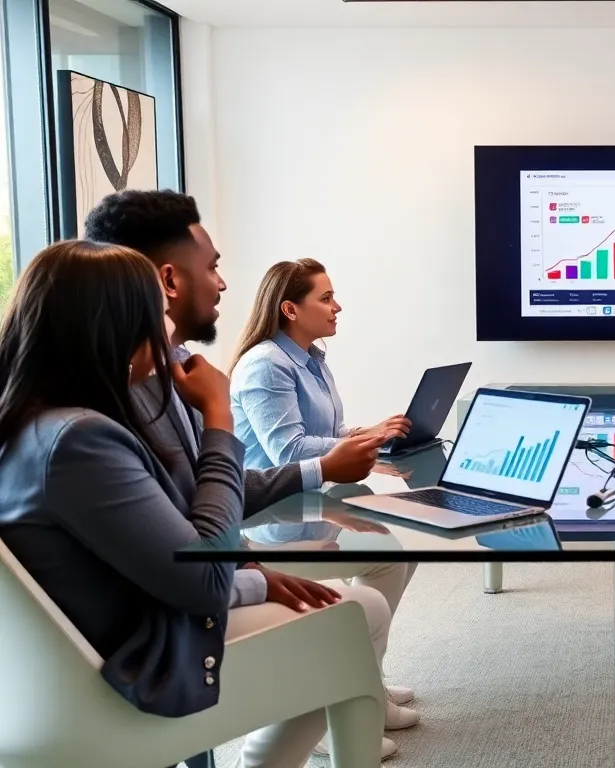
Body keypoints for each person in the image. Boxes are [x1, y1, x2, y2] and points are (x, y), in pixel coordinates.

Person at [0, 241, 397, 764]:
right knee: (359, 612)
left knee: (338, 615)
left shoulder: (40, 421)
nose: (166, 328)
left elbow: (171, 539)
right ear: (118, 325)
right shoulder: (79, 440)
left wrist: (251, 575)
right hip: (134, 664)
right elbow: (204, 580)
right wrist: (218, 418)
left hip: (93, 644)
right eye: (157, 313)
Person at [83, 191, 419, 755]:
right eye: (212, 267)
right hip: (163, 629)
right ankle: (333, 704)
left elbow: (198, 507)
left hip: (201, 577)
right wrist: (218, 418)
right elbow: (197, 542)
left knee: (376, 579)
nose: (222, 283)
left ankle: (344, 697)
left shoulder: (168, 376)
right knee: (360, 611)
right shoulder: (117, 408)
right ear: (168, 279)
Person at [228, 258, 411, 470]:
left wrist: (378, 434)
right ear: (290, 310)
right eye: (326, 299)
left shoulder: (313, 358)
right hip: (273, 502)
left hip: (310, 492)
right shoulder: (265, 364)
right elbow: (289, 453)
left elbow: (331, 435)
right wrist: (366, 440)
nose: (337, 307)